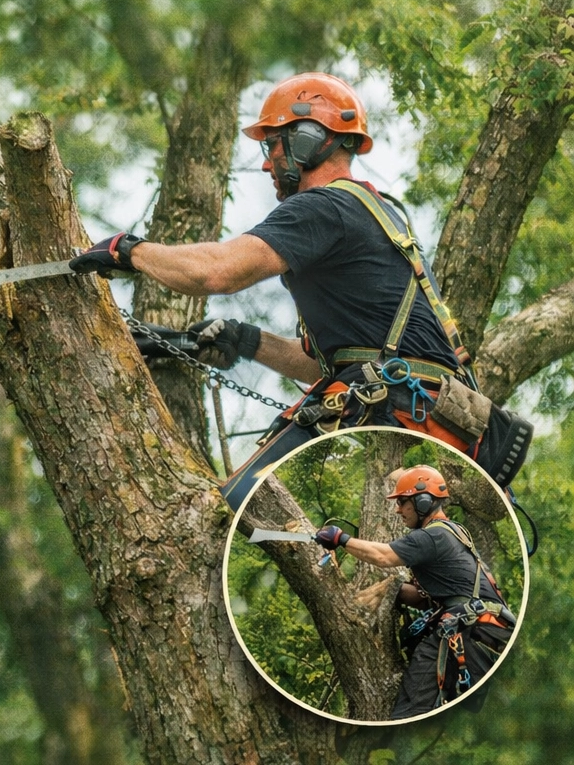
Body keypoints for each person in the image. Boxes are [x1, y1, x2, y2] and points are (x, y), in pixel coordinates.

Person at [67, 72, 528, 507]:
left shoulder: (324, 207)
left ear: (308, 140)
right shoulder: (376, 213)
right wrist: (246, 340)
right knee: (240, 509)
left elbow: (217, 272)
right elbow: (327, 364)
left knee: (231, 511)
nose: (267, 162)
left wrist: (128, 250)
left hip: (390, 405)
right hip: (410, 405)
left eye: (274, 146)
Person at [313, 465, 514, 719]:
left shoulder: (431, 537)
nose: (397, 510)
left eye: (403, 502)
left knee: (410, 710)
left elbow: (382, 556)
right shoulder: (454, 532)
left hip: (467, 630)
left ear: (423, 502)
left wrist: (340, 539)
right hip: (483, 631)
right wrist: (392, 591)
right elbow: (429, 596)